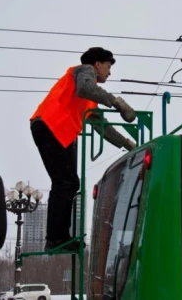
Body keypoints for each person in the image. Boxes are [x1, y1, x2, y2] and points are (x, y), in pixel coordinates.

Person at [30, 47, 137, 251]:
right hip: (50, 126)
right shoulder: (84, 72)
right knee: (66, 181)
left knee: (66, 182)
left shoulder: (89, 99)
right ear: (97, 64)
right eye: (108, 66)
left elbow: (100, 126)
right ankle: (56, 239)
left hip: (56, 130)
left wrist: (126, 143)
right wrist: (116, 102)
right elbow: (85, 88)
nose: (109, 72)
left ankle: (56, 237)